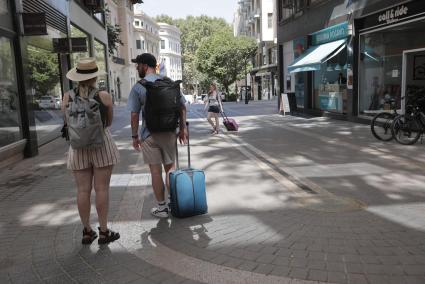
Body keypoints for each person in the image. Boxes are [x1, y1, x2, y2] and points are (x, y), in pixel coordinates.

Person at [63, 58, 120, 245]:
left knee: (82, 190)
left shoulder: (67, 97)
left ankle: (87, 231)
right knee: (102, 189)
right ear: (95, 77)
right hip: (101, 145)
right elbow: (109, 123)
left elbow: (68, 123)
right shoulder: (104, 96)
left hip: (77, 148)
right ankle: (104, 232)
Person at [128, 53, 188, 218]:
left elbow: (134, 115)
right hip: (169, 132)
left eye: (138, 64)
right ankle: (175, 204)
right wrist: (182, 129)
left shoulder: (138, 87)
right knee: (171, 169)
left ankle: (162, 208)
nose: (136, 67)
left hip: (149, 135)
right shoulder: (169, 82)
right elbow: (183, 107)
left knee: (155, 172)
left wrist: (134, 137)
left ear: (145, 66)